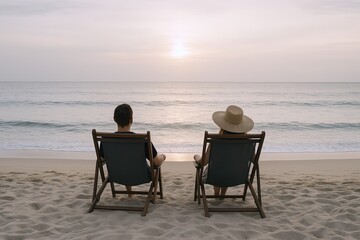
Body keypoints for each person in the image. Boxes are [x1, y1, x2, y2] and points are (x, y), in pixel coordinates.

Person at [101, 103, 166, 196]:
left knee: (125, 161)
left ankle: (129, 194)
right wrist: (163, 157)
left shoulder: (105, 140)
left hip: (116, 176)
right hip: (141, 176)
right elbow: (156, 162)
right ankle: (136, 194)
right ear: (131, 119)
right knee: (154, 168)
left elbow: (101, 160)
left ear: (114, 119)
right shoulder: (142, 140)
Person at [194, 105, 254, 197]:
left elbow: (204, 162)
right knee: (229, 165)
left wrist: (197, 158)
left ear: (223, 126)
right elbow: (254, 160)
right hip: (238, 177)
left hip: (216, 177)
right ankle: (222, 195)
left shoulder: (215, 142)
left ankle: (216, 195)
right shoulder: (248, 143)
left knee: (219, 167)